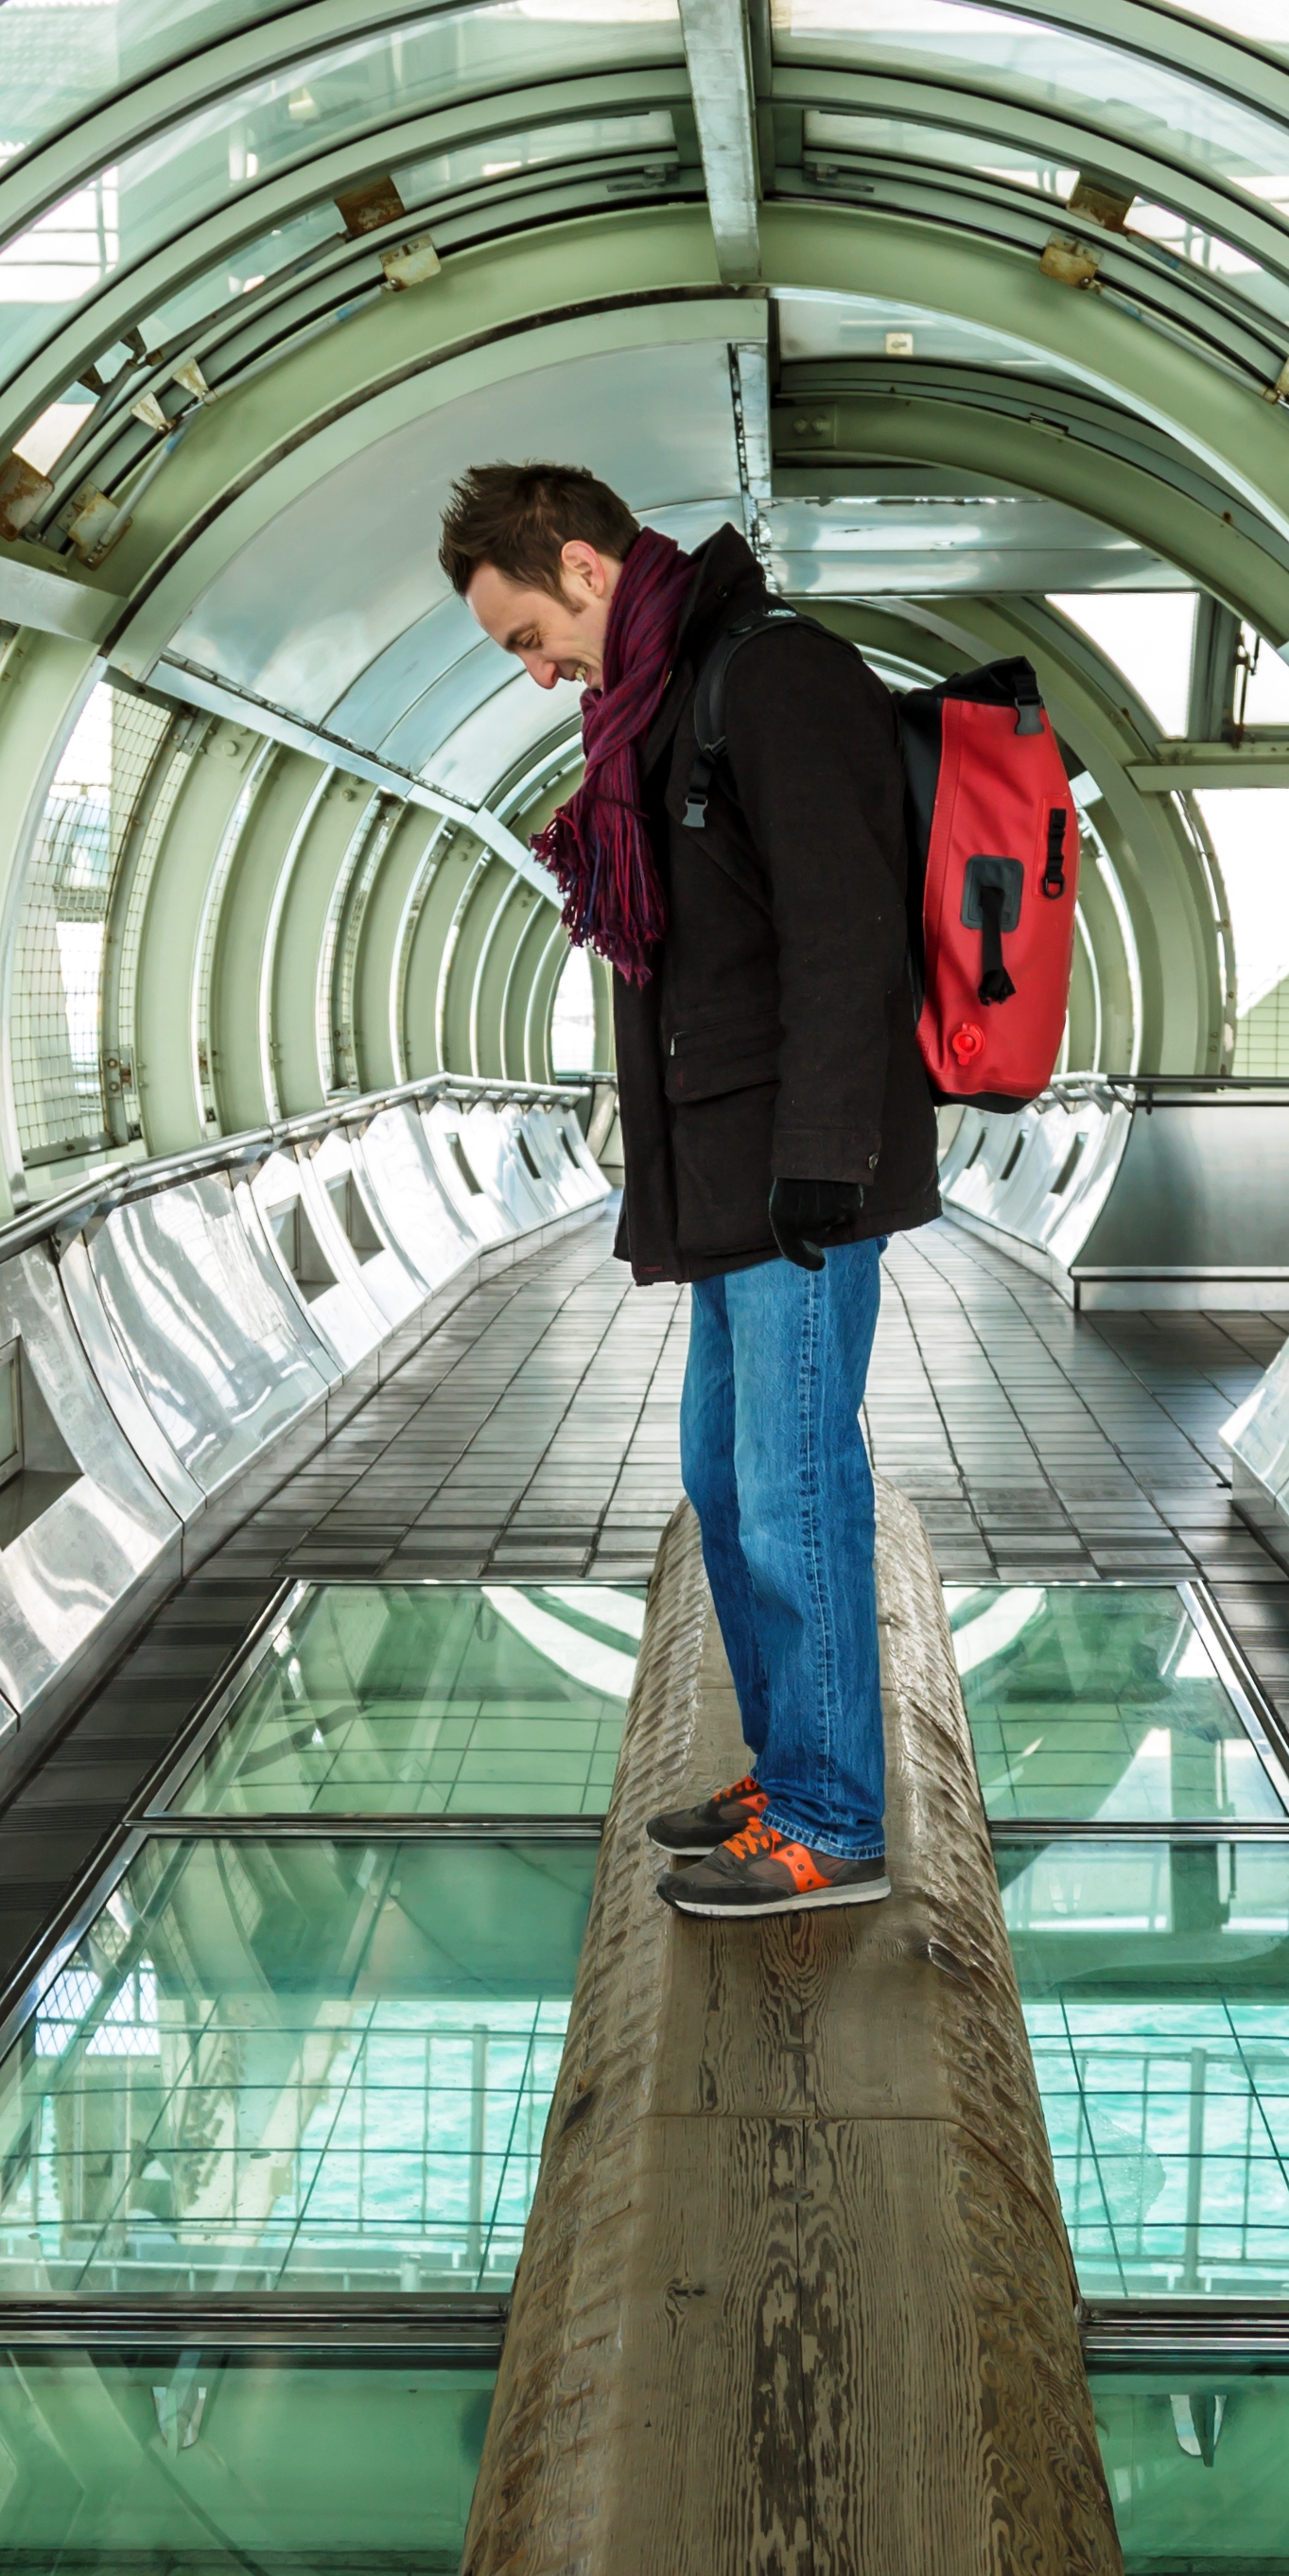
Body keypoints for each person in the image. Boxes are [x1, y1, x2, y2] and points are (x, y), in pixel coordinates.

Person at [446, 462, 936, 1919]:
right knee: (725, 1483)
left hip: (795, 1172)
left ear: (586, 567)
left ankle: (835, 1820)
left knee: (794, 1488)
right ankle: (794, 1767)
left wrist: (823, 1157)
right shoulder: (664, 701)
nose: (539, 672)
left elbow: (850, 929)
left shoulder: (772, 675)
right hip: (725, 1176)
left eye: (532, 634)